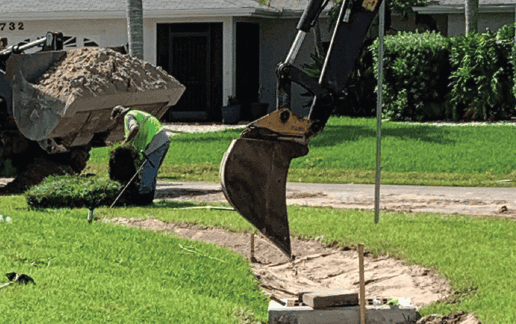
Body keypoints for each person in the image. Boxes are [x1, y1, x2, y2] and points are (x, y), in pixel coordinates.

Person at [111, 105, 170, 203]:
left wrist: (125, 142)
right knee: (152, 170)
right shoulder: (135, 113)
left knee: (147, 169)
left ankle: (143, 199)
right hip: (161, 140)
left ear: (118, 115)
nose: (118, 123)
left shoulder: (128, 116)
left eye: (117, 121)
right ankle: (149, 198)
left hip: (156, 140)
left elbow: (135, 129)